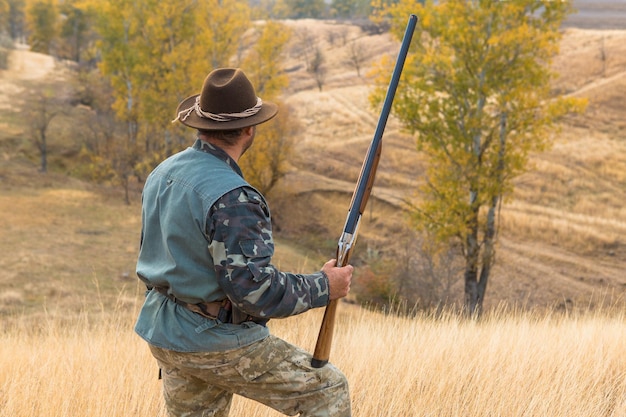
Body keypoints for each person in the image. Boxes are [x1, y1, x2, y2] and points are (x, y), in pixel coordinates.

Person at [134, 67, 354, 417]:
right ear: (250, 129)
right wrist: (324, 286)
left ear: (201, 125)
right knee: (327, 389)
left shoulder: (163, 172)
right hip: (213, 341)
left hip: (165, 331)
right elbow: (255, 292)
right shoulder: (234, 197)